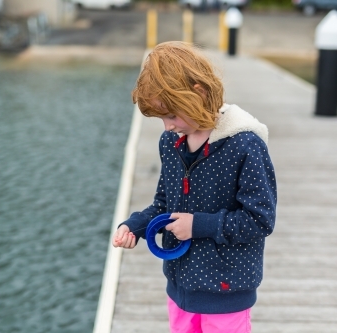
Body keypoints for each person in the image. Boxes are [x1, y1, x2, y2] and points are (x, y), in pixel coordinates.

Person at [112, 41, 277, 333]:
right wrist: (137, 226)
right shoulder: (171, 143)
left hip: (226, 289)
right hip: (180, 285)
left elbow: (260, 220)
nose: (167, 127)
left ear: (198, 93)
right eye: (161, 118)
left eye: (172, 115)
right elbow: (165, 203)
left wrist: (197, 225)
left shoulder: (245, 145)